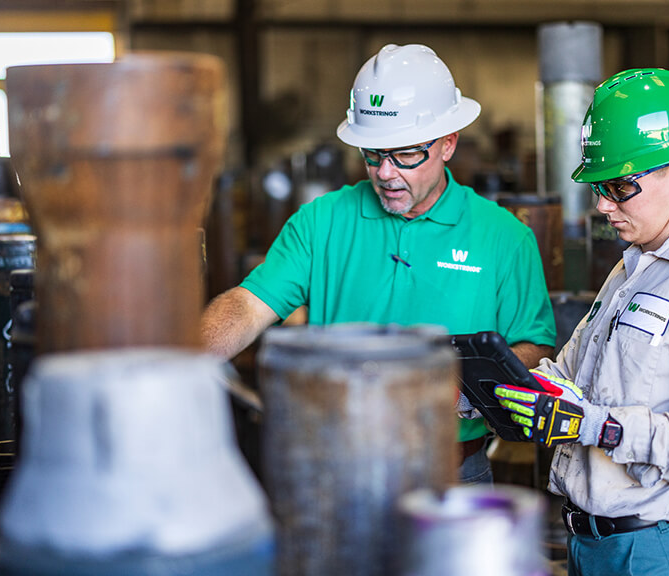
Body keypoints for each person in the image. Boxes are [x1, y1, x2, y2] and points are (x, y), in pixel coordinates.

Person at [201, 43, 556, 484]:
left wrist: (460, 384)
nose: (385, 173)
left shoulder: (504, 237)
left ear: (448, 143)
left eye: (405, 154)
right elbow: (248, 305)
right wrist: (184, 364)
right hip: (333, 467)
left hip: (452, 471)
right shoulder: (322, 221)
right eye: (373, 153)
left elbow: (535, 349)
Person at [493, 68, 669, 575]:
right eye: (600, 187)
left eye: (620, 187)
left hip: (661, 551)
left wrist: (603, 427)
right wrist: (491, 386)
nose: (603, 205)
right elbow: (566, 378)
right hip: (591, 545)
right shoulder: (628, 270)